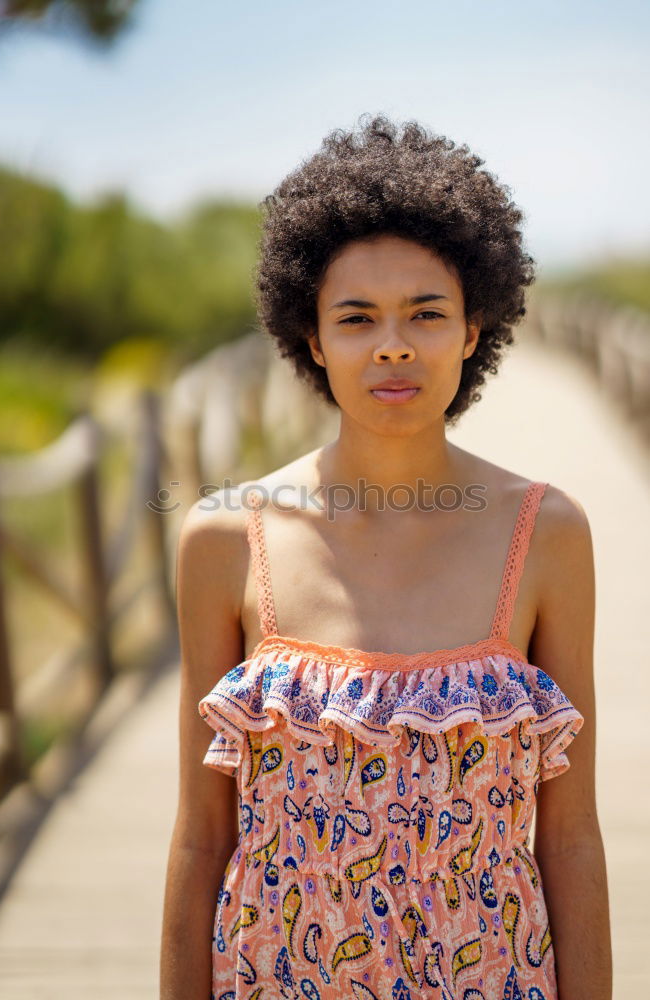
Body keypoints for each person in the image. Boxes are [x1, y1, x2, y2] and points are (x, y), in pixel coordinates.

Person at [160, 113, 612, 999]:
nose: (393, 343)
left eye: (427, 313)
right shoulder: (224, 537)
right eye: (357, 317)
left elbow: (570, 836)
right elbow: (200, 837)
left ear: (475, 329)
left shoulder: (546, 531)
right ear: (313, 338)